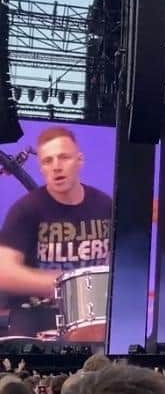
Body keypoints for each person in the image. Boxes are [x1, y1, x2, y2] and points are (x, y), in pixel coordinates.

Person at [0, 126, 112, 337]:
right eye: (47, 161)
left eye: (63, 158)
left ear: (79, 160)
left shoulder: (104, 205)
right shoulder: (25, 210)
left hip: (91, 319)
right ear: (41, 168)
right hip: (36, 320)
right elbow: (4, 272)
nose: (56, 167)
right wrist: (57, 283)